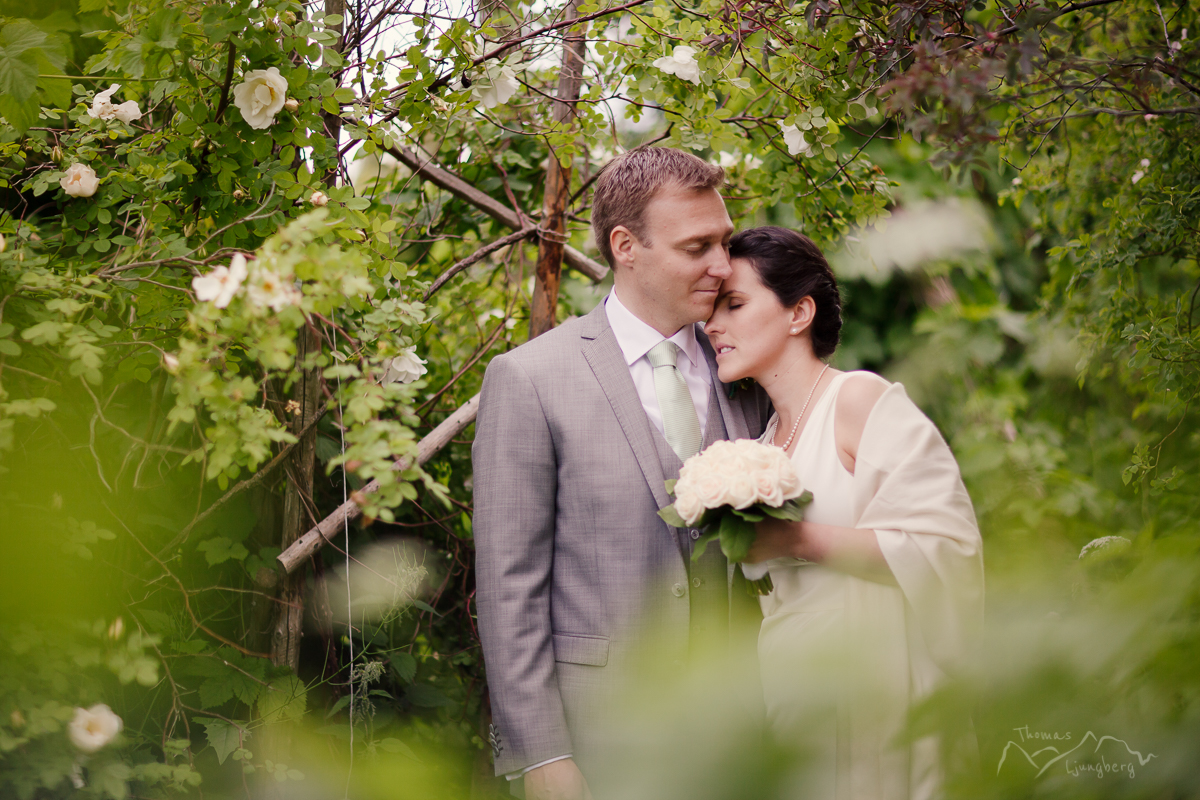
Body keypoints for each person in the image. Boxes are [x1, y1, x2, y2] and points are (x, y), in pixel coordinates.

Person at [472, 148, 772, 799]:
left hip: (746, 738)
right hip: (601, 742)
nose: (722, 266)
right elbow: (508, 587)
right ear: (625, 245)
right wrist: (541, 755)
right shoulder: (530, 379)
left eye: (725, 242)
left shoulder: (749, 373)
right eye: (698, 248)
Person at [703, 226, 984, 799]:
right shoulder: (759, 445)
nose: (713, 326)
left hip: (878, 696)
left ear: (799, 312)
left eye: (733, 305)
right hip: (796, 696)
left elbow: (948, 547)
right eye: (712, 310)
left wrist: (797, 541)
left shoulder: (859, 400)